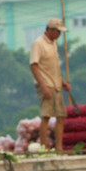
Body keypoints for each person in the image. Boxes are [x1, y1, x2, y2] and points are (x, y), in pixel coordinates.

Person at [29, 17, 72, 149]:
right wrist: (43, 86)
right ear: (51, 30)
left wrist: (62, 81)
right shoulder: (39, 43)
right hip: (45, 84)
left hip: (56, 84)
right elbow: (34, 65)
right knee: (46, 115)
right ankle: (43, 147)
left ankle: (58, 148)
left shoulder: (53, 43)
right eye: (58, 32)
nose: (59, 35)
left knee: (60, 116)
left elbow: (53, 67)